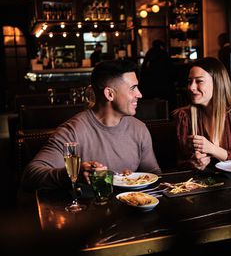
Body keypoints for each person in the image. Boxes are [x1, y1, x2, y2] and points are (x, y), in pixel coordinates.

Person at [22, 59, 161, 191]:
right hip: (88, 212)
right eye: (133, 88)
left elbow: (154, 174)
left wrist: (133, 179)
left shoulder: (139, 128)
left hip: (131, 211)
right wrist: (72, 174)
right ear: (109, 94)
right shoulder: (73, 131)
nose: (140, 94)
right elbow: (30, 176)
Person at [173, 57, 231, 171]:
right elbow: (180, 163)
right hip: (203, 184)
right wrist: (195, 163)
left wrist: (212, 149)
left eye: (199, 81)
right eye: (189, 81)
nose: (191, 87)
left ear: (217, 82)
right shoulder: (184, 116)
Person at [140, 39, 177, 111]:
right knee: (166, 103)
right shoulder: (163, 54)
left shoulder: (150, 53)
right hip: (164, 84)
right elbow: (170, 69)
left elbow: (144, 69)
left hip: (151, 84)